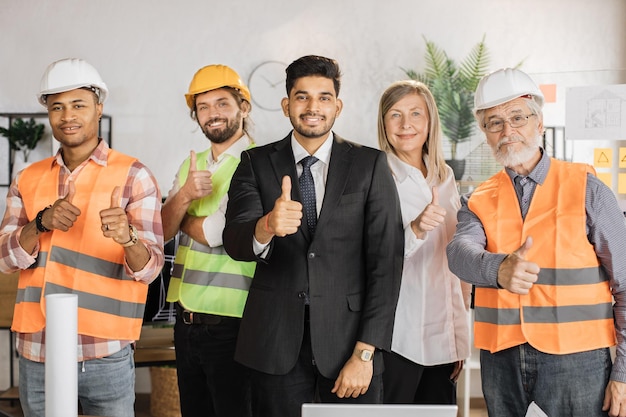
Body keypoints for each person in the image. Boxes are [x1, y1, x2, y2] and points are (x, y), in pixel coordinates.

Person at [222, 55, 404, 417]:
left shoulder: (370, 165)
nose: (312, 107)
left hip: (349, 343)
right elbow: (235, 241)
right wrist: (267, 226)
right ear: (287, 104)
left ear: (337, 106)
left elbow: (387, 264)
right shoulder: (254, 163)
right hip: (274, 344)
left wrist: (365, 353)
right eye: (302, 97)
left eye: (323, 97)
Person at [446, 67, 626, 417]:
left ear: (539, 123)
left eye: (517, 117)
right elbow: (459, 254)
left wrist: (624, 373)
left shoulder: (588, 190)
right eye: (494, 122)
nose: (507, 131)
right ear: (485, 133)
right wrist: (499, 269)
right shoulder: (479, 198)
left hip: (578, 359)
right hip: (502, 360)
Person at [0, 58, 164, 417]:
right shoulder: (27, 178)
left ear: (98, 108)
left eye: (78, 105)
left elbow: (150, 269)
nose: (67, 116)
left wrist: (129, 237)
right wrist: (39, 223)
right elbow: (5, 260)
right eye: (57, 106)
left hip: (104, 349)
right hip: (37, 348)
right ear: (48, 112)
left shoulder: (134, 176)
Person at [162, 64, 255, 417]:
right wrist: (185, 194)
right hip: (186, 320)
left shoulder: (256, 162)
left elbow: (216, 234)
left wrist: (178, 210)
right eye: (203, 107)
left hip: (232, 322)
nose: (212, 114)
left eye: (222, 103)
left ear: (243, 107)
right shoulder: (193, 163)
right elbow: (162, 230)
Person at [376, 80, 471, 405]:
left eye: (416, 113)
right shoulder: (376, 176)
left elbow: (453, 262)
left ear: (430, 120)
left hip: (443, 337)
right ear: (383, 123)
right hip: (399, 338)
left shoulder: (444, 177)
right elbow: (370, 257)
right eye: (396, 115)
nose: (406, 125)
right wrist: (415, 228)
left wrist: (457, 338)